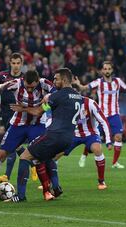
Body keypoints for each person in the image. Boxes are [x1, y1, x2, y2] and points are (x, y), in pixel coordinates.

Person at [0, 69, 55, 202]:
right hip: (18, 124)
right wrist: (0, 86)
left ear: (37, 81)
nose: (29, 90)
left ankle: (47, 192)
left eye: (32, 87)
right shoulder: (16, 83)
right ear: (23, 81)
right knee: (0, 155)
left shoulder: (45, 84)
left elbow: (56, 97)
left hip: (37, 125)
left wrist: (47, 102)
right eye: (27, 87)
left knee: (37, 157)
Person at [12, 68, 83, 201]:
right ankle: (56, 187)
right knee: (45, 158)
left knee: (24, 156)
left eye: (56, 79)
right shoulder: (78, 97)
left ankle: (20, 196)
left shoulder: (57, 95)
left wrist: (24, 108)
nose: (54, 81)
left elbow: (39, 112)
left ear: (64, 80)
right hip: (68, 138)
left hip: (54, 135)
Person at [72, 61, 126, 168]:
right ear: (102, 71)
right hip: (100, 116)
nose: (107, 71)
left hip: (114, 114)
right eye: (105, 69)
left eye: (109, 69)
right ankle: (84, 155)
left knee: (118, 137)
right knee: (92, 137)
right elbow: (84, 88)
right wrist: (78, 84)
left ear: (112, 70)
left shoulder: (118, 82)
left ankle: (115, 163)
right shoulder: (98, 82)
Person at [55, 96, 113, 190]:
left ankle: (101, 181)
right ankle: (49, 181)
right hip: (73, 134)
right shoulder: (66, 104)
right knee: (56, 154)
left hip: (91, 134)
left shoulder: (90, 103)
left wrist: (108, 140)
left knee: (97, 149)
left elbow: (103, 121)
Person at [0, 53, 25, 181]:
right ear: (10, 63)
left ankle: (7, 176)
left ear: (21, 64)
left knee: (12, 144)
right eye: (13, 63)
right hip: (5, 113)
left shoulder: (24, 78)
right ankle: (33, 165)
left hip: (20, 114)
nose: (16, 66)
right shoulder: (2, 76)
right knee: (16, 145)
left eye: (18, 63)